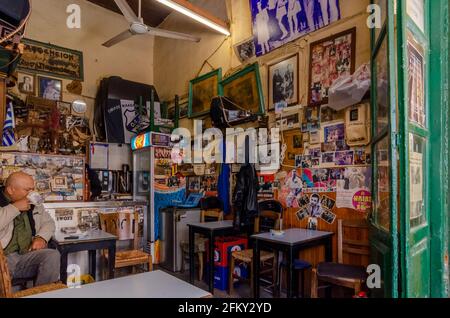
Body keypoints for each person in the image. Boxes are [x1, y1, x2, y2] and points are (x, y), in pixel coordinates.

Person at [0, 172, 60, 287]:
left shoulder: (33, 202)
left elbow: (48, 223)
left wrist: (41, 237)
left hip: (25, 255)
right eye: (27, 190)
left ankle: (43, 294)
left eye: (32, 189)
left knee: (52, 255)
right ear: (11, 190)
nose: (32, 193)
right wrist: (15, 207)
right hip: (4, 257)